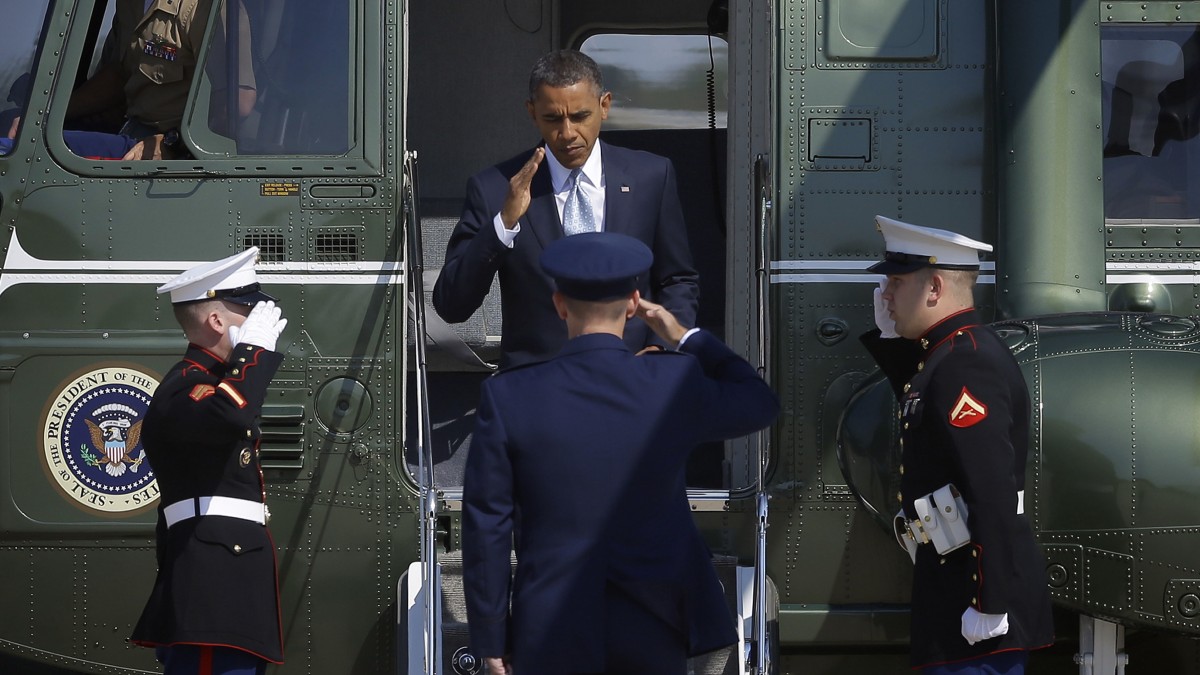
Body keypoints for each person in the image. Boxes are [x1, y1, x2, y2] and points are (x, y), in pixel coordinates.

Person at [461, 232, 779, 675]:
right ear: (633, 304)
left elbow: (487, 526)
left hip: (551, 623)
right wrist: (686, 336)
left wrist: (491, 636)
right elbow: (760, 403)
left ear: (559, 304)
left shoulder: (508, 395)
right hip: (655, 617)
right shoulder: (672, 382)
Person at [860, 215, 1054, 673]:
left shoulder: (965, 363)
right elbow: (924, 403)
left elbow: (990, 488)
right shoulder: (949, 354)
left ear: (934, 289)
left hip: (975, 601)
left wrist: (990, 599)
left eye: (896, 280)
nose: (885, 293)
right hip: (952, 589)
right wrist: (891, 340)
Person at [433, 49, 699, 369]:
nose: (568, 133)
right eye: (553, 118)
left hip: (632, 380)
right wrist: (504, 223)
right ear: (532, 113)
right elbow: (452, 306)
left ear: (605, 106)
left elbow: (678, 280)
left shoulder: (651, 177)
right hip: (537, 391)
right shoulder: (495, 188)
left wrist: (660, 351)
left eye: (580, 116)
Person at [129, 246, 288, 674]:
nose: (258, 321)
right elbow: (230, 414)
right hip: (211, 587)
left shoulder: (210, 386)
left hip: (230, 586)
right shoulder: (184, 388)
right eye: (248, 312)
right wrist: (252, 354)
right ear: (217, 321)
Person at [8, 0, 256, 160]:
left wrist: (173, 144)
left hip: (169, 150)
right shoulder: (131, 5)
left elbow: (240, 100)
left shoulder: (206, 7)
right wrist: (44, 116)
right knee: (13, 129)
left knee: (21, 152)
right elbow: (120, 73)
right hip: (129, 128)